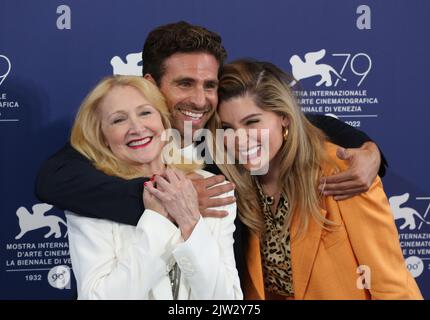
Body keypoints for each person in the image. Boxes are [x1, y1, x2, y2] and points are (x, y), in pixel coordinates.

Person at [35, 21, 386, 281]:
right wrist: (162, 198)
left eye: (209, 85)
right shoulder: (120, 144)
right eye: (184, 84)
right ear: (150, 84)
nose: (200, 100)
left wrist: (369, 149)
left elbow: (298, 121)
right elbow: (54, 179)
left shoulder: (228, 131)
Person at [209, 59, 422, 300]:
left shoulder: (342, 171)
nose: (240, 139)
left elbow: (390, 285)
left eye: (252, 122)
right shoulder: (234, 183)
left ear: (284, 118)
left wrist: (372, 151)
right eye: (227, 128)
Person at [65, 75, 242, 299]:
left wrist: (190, 222)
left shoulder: (214, 188)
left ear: (163, 121)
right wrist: (158, 221)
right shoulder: (90, 202)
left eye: (145, 112)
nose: (137, 127)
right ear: (103, 137)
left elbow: (228, 301)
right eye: (119, 120)